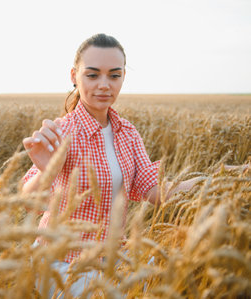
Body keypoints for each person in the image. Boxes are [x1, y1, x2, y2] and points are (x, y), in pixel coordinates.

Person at [21, 33, 203, 297]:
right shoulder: (61, 132)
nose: (104, 85)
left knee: (172, 279)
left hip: (113, 257)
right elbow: (27, 204)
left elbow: (155, 191)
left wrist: (215, 180)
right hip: (62, 263)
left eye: (114, 75)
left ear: (123, 77)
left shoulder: (127, 133)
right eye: (93, 75)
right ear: (74, 75)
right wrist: (46, 171)